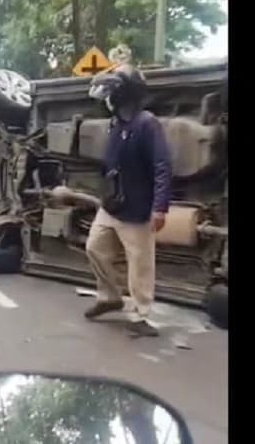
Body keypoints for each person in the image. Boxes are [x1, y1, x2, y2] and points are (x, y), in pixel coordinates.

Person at [84, 65, 171, 338]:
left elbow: (161, 166)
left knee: (140, 264)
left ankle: (140, 315)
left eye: (112, 91)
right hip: (112, 204)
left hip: (137, 208)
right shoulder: (116, 123)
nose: (108, 97)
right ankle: (110, 296)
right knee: (94, 248)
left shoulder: (147, 123)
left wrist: (159, 207)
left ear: (124, 94)